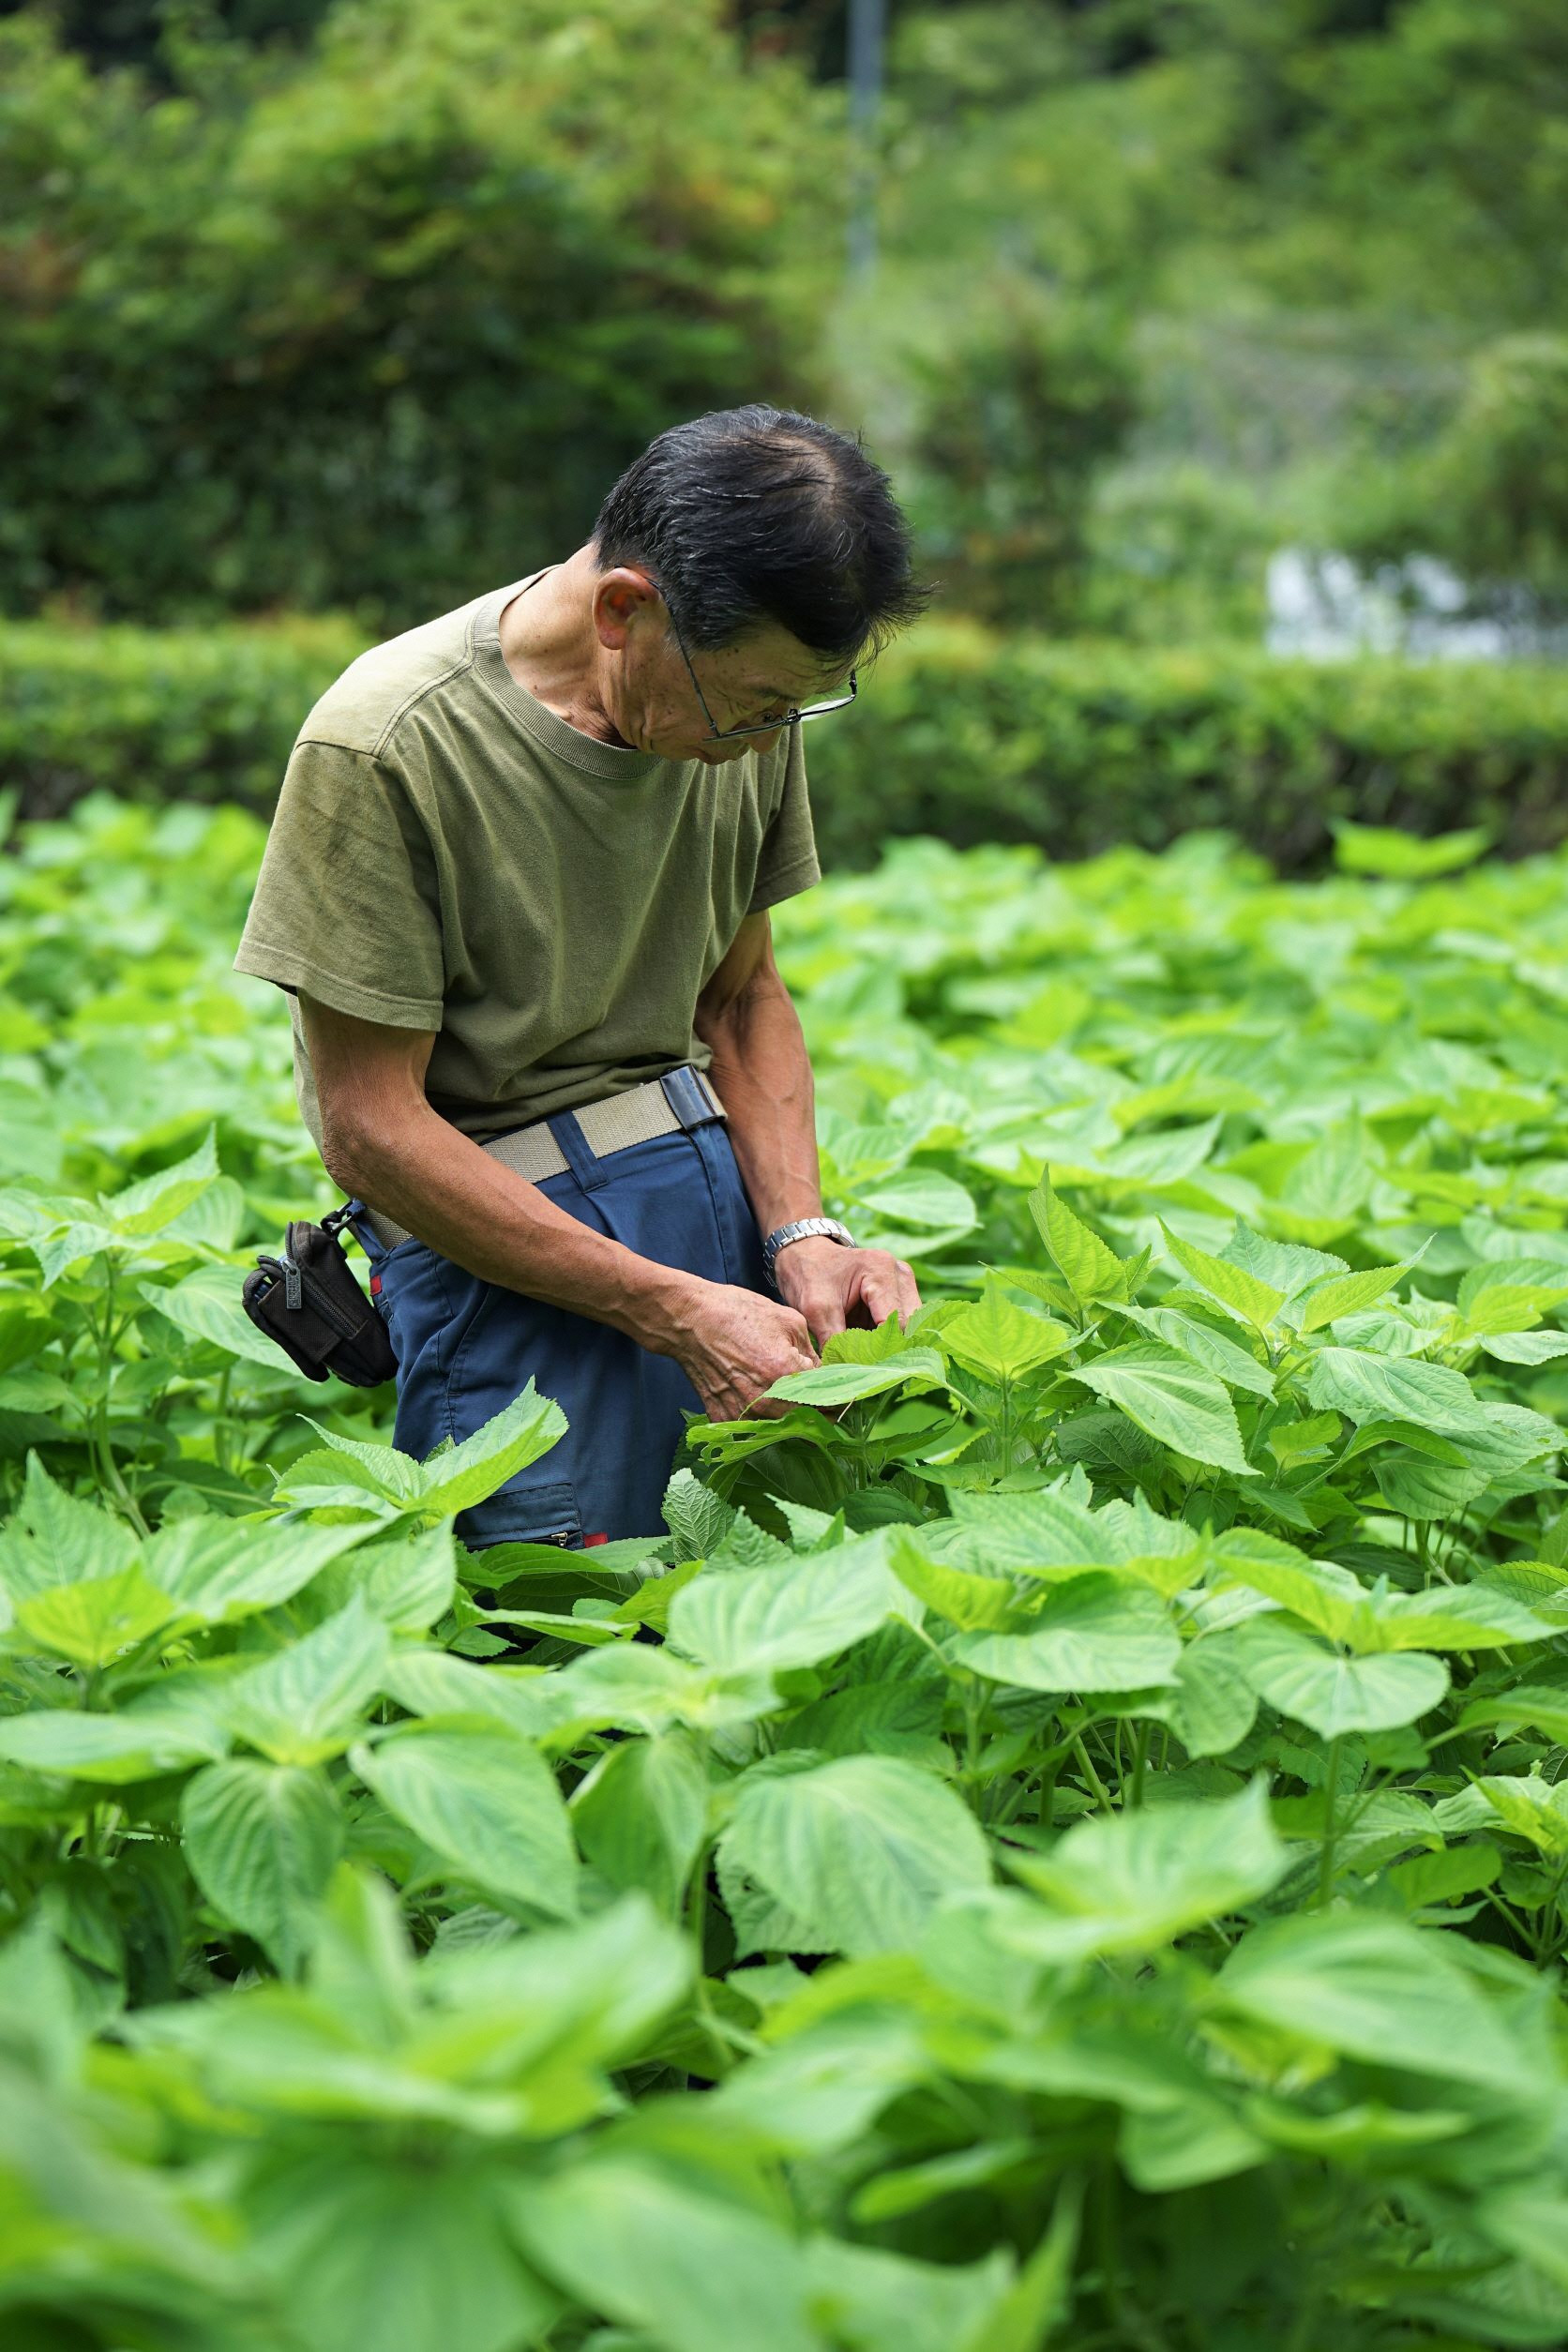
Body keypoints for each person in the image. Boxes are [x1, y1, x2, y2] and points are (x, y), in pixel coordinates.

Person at [234, 404, 929, 1548]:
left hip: (713, 1221)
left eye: (796, 709)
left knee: (737, 1630)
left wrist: (804, 1234)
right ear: (625, 611)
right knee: (550, 1663)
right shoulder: (388, 742)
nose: (766, 744)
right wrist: (665, 1308)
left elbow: (740, 999)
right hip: (507, 1264)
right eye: (753, 707)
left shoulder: (738, 703)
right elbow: (370, 1126)